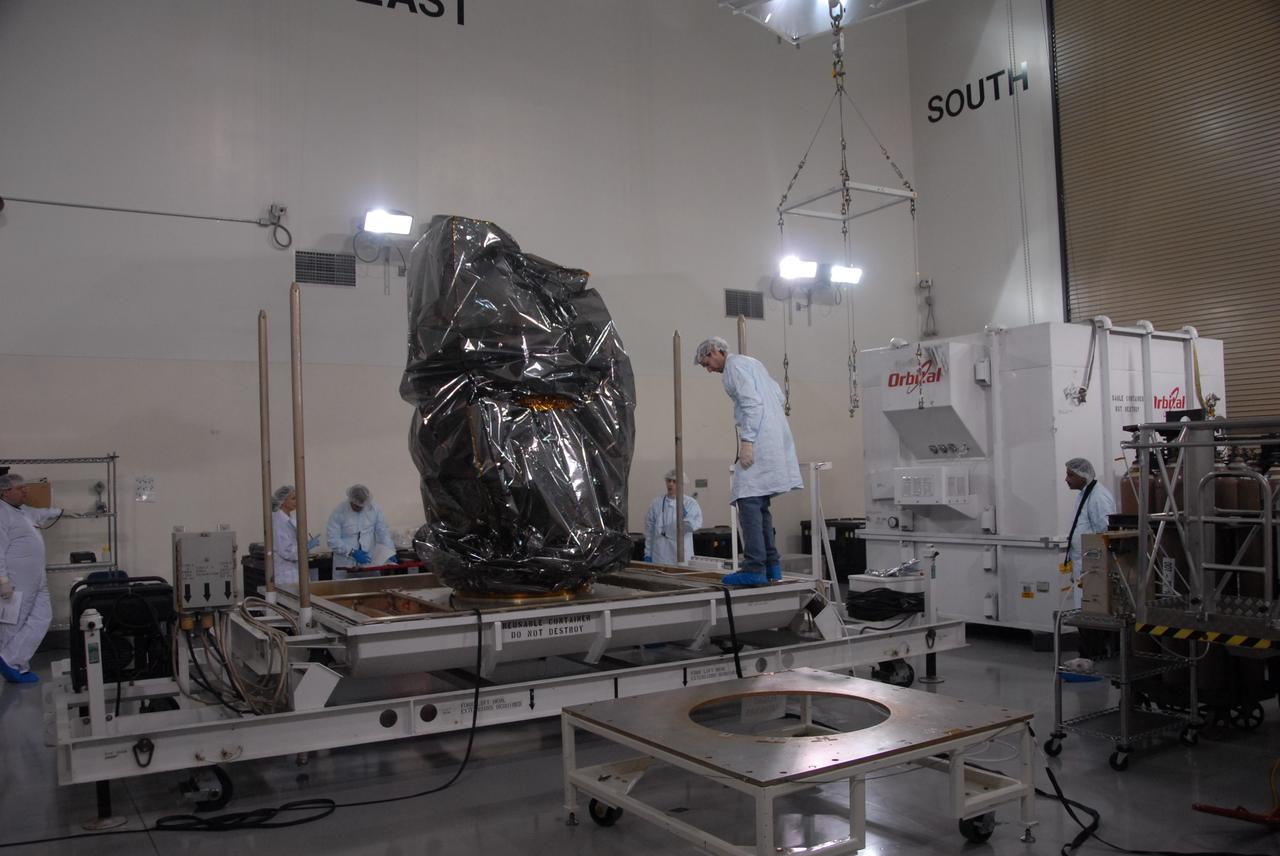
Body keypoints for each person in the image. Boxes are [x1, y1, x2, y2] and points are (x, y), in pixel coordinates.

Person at [694, 337, 803, 586]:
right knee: (760, 502)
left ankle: (754, 567)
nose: (709, 369)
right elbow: (779, 397)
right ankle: (772, 566)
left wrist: (748, 441)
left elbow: (751, 403)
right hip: (776, 438)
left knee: (748, 500)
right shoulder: (753, 363)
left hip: (761, 440)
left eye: (707, 362)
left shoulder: (733, 368)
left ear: (715, 351)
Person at [1063, 457, 1117, 662]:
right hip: (1083, 564)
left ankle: (1093, 656)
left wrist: (1094, 563)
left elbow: (1104, 530)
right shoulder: (1085, 494)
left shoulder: (1098, 496)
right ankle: (1088, 655)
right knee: (1084, 611)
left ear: (1083, 475)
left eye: (1070, 475)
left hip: (1093, 566)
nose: (1066, 479)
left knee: (1091, 612)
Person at [0, 473, 53, 683]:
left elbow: (42, 514)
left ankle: (10, 660)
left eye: (25, 487)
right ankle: (14, 667)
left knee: (43, 616)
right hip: (15, 580)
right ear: (5, 492)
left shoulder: (21, 512)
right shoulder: (2, 514)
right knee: (14, 623)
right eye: (19, 488)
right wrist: (2, 581)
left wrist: (65, 511)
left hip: (37, 578)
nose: (25, 491)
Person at [325, 484, 394, 580]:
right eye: (356, 506)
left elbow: (383, 532)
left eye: (362, 506)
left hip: (368, 562)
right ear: (351, 500)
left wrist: (390, 551)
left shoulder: (373, 509)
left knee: (372, 591)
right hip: (345, 563)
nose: (359, 508)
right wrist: (351, 552)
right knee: (345, 592)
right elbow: (332, 539)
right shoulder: (339, 512)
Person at [643, 470, 703, 565]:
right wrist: (648, 553)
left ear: (681, 484)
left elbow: (694, 525)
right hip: (660, 554)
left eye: (674, 481)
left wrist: (686, 522)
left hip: (682, 553)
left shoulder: (690, 503)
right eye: (669, 481)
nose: (670, 484)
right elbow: (649, 531)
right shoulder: (656, 504)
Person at [271, 485, 319, 586]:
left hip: (297, 570)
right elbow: (286, 551)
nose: (296, 501)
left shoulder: (291, 519)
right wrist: (306, 546)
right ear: (282, 501)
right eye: (293, 498)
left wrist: (306, 546)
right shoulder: (278, 522)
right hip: (286, 574)